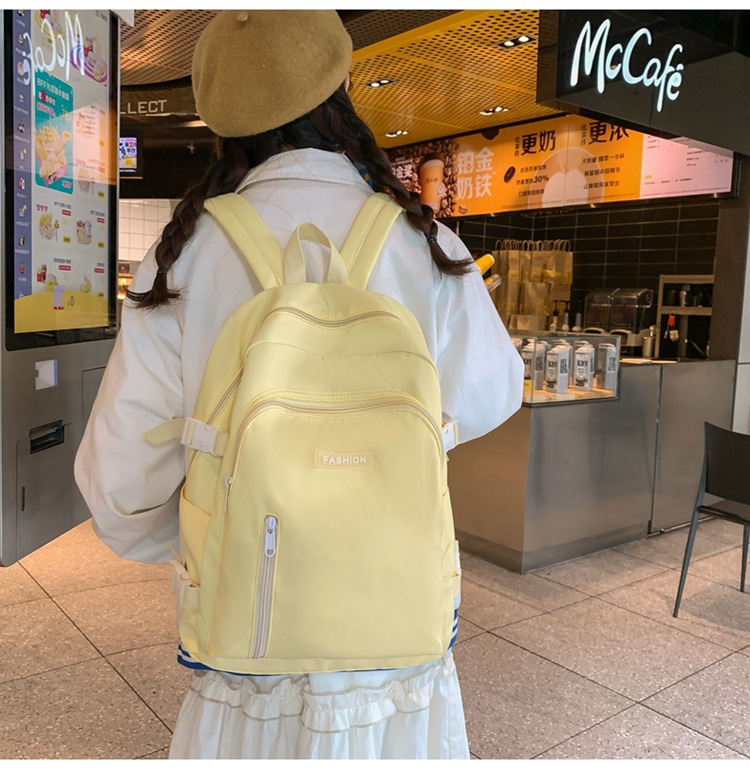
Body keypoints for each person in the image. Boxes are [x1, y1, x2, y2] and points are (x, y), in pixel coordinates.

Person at [74, 10, 523, 760]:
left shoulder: (183, 255)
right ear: (338, 88)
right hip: (397, 636)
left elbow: (118, 485)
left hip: (247, 650)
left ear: (224, 119)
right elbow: (494, 393)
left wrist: (222, 526)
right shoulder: (425, 243)